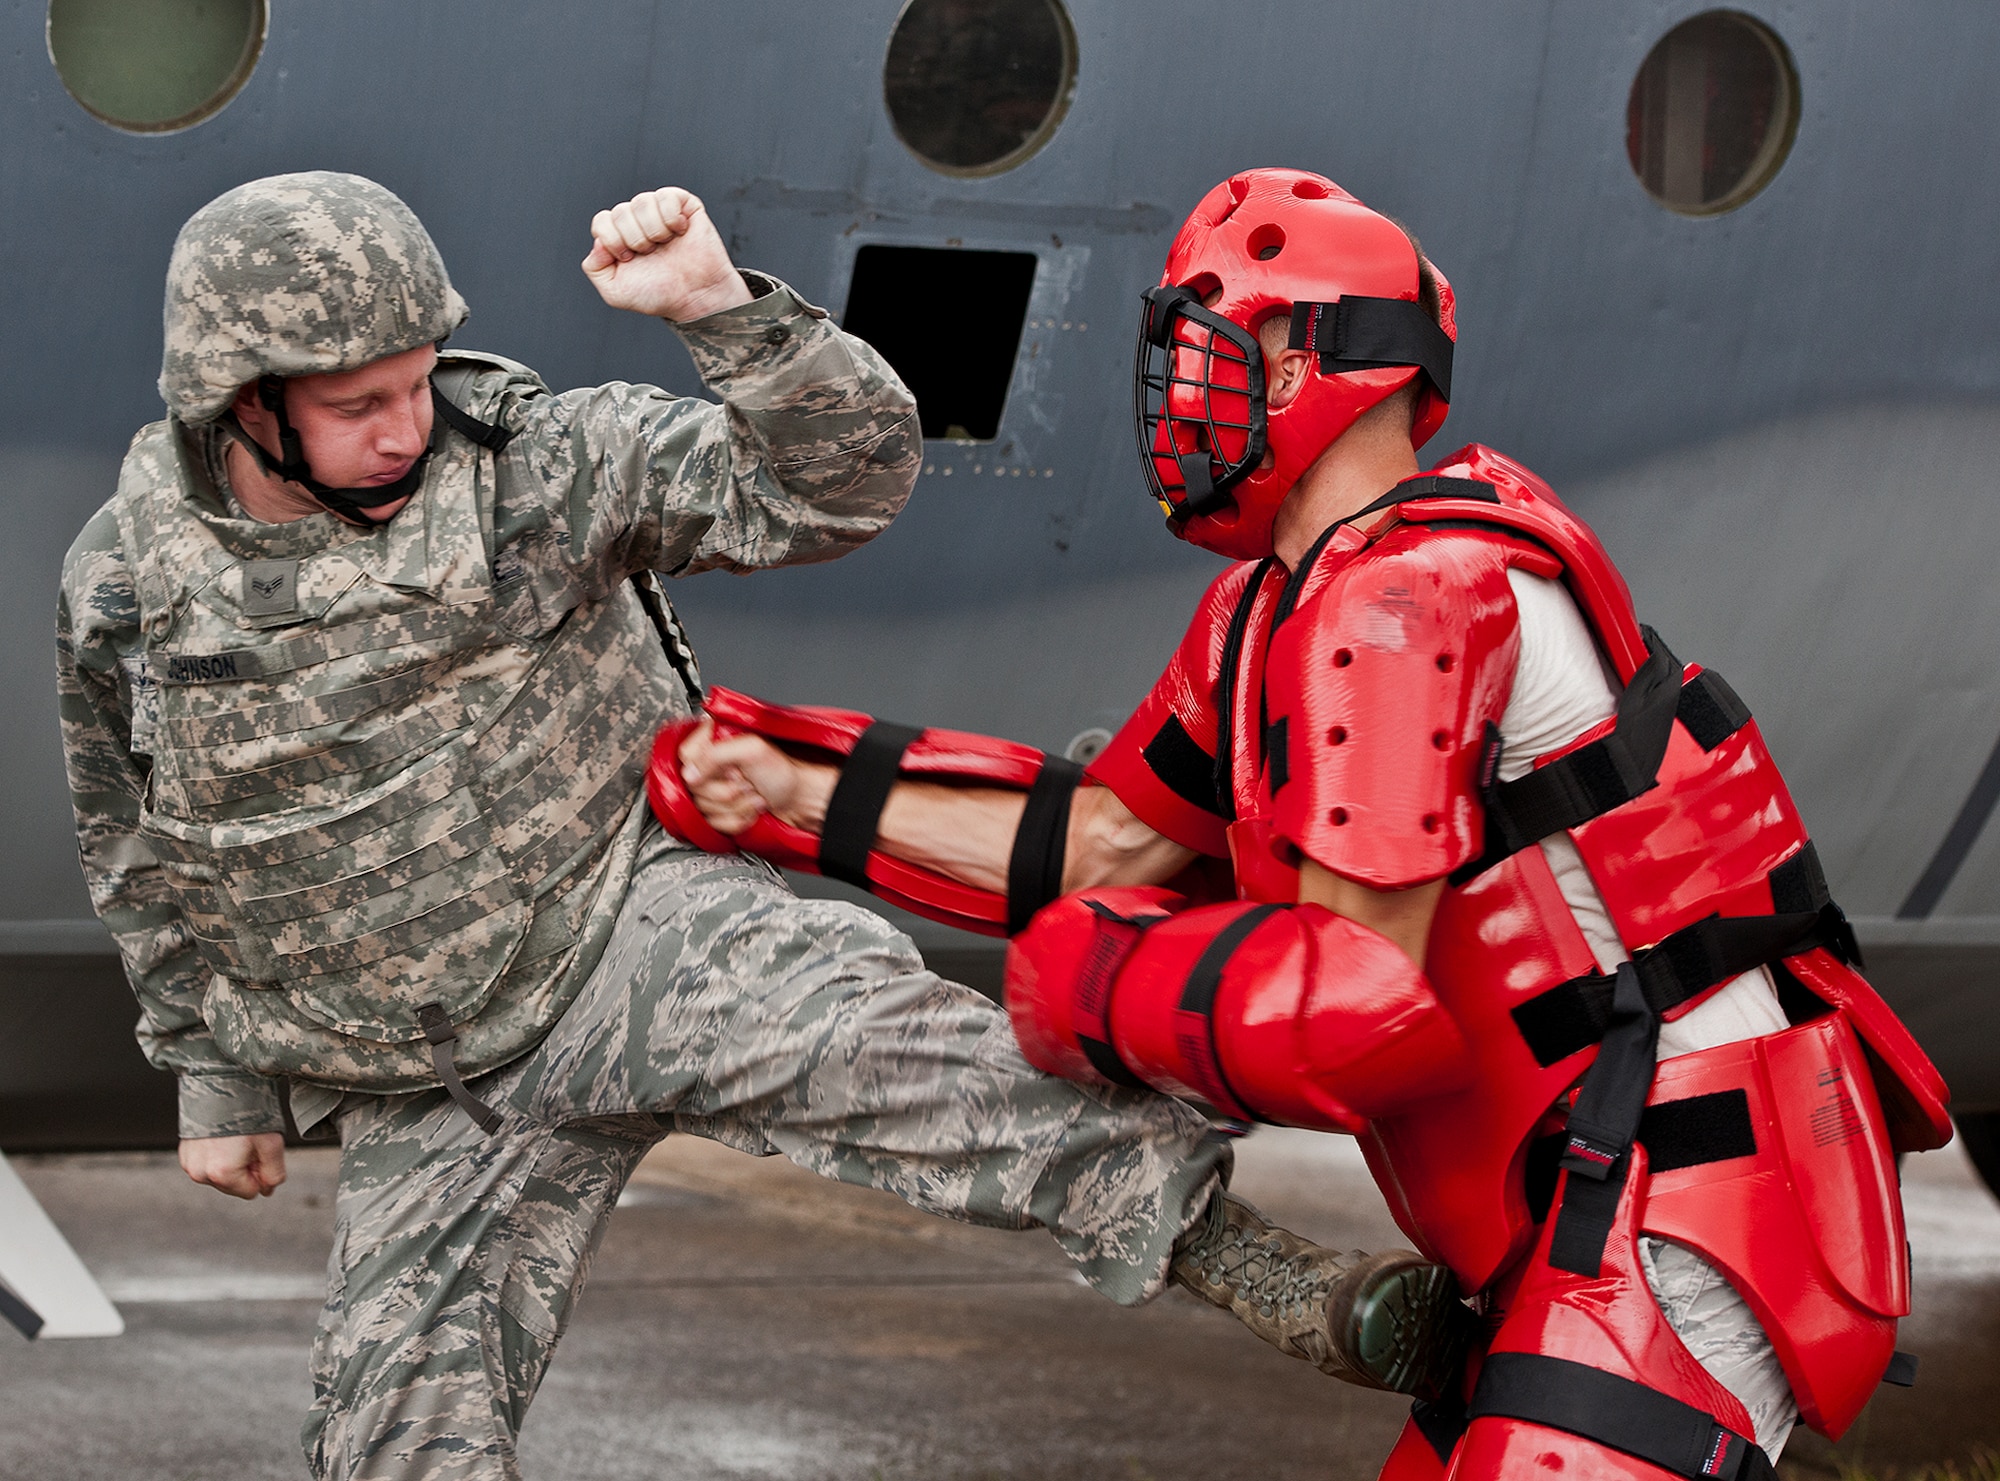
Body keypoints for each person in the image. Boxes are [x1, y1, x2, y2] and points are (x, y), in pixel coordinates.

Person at [56, 171, 1465, 1481]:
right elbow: (139, 840)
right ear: (244, 408)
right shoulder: (131, 585)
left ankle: (1259, 1265)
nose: (406, 427)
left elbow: (842, 483)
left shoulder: (528, 464)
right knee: (388, 1446)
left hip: (637, 928)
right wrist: (216, 1082)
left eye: (420, 382)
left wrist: (723, 314)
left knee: (926, 1057)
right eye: (359, 403)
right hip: (427, 1072)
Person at [666, 167, 1953, 1480]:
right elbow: (1097, 845)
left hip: (1686, 1202)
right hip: (1572, 1216)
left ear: (1318, 364)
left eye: (1218, 343)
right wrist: (788, 790)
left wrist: (1099, 987)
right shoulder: (1267, 613)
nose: (1181, 392)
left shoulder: (1415, 593)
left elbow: (1349, 1004)